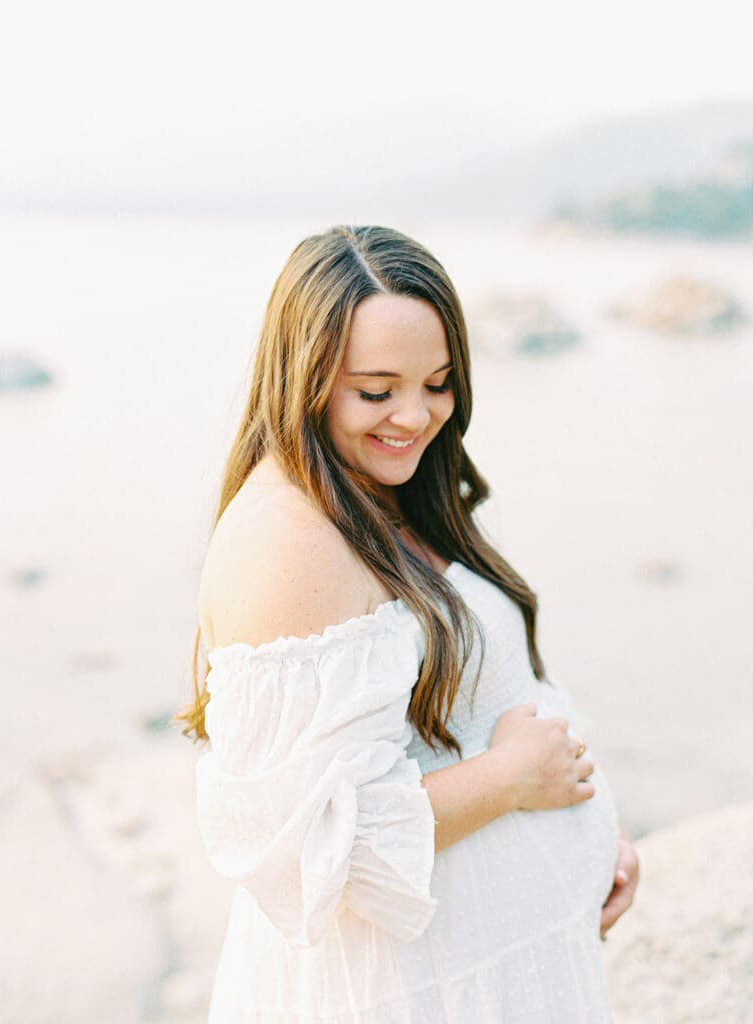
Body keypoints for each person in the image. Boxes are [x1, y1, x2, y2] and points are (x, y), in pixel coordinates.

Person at [175, 224, 639, 1023]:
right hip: (404, 994)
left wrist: (591, 829)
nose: (416, 417)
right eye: (376, 389)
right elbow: (318, 848)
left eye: (439, 381)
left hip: (487, 976)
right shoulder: (287, 544)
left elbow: (488, 702)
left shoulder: (385, 486)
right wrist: (516, 781)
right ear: (304, 375)